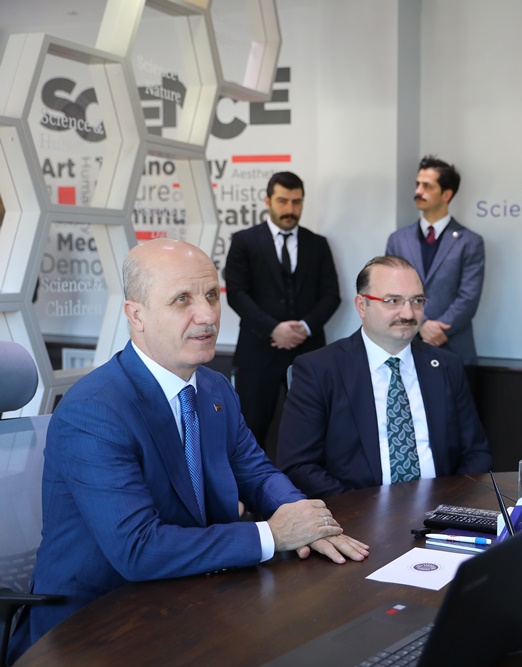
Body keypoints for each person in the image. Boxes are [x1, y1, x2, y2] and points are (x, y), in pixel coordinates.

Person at [8, 240, 368, 664]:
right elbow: (139, 549)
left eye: (211, 295)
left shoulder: (214, 387)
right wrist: (272, 535)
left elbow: (256, 473)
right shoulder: (94, 409)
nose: (208, 315)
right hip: (95, 627)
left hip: (191, 598)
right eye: (182, 299)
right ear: (136, 315)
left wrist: (306, 520)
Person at [277, 255, 492, 498]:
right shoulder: (319, 369)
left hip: (440, 510)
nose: (408, 313)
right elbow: (298, 465)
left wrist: (450, 503)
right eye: (393, 301)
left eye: (417, 301)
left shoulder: (446, 366)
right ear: (362, 305)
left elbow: (476, 453)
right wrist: (361, 510)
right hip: (354, 512)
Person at [225, 171, 341, 453]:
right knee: (250, 432)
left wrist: (304, 328)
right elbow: (236, 293)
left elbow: (331, 295)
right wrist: (273, 329)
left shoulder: (317, 244)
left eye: (296, 202)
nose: (290, 209)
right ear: (267, 201)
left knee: (312, 430)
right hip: (257, 352)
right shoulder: (244, 241)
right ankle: (250, 483)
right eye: (283, 201)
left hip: (308, 353)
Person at [386, 155, 485, 364]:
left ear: (446, 194)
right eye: (418, 184)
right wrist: (422, 324)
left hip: (454, 348)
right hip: (406, 346)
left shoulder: (470, 242)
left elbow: (468, 297)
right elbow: (389, 290)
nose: (418, 191)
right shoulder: (398, 240)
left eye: (427, 186)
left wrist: (436, 328)